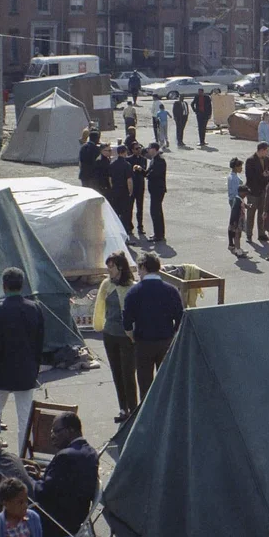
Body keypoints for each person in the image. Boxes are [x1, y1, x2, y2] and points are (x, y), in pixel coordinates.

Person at [0, 268, 44, 457]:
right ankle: (25, 458)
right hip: (26, 372)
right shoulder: (35, 308)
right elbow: (39, 343)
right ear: (22, 285)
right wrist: (35, 369)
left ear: (4, 286)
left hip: (0, 374)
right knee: (25, 417)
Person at [123, 252, 183, 401]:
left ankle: (148, 417)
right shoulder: (171, 290)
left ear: (143, 267)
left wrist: (132, 336)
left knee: (145, 384)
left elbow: (127, 322)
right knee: (166, 382)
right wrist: (172, 334)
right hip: (166, 342)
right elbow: (180, 317)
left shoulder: (134, 292)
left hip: (143, 343)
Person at [28, 413, 99, 537]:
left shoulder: (66, 456)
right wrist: (39, 478)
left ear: (71, 430)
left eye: (56, 431)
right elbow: (60, 485)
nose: (52, 436)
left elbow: (42, 492)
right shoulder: (89, 451)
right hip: (75, 517)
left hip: (57, 523)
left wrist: (27, 479)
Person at [94, 252, 137, 423]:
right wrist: (99, 325)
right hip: (109, 334)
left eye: (111, 267)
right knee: (116, 372)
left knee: (128, 374)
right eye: (108, 266)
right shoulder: (106, 284)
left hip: (127, 336)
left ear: (120, 267)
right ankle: (123, 409)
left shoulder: (132, 287)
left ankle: (133, 409)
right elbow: (99, 306)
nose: (108, 270)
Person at [245, 142, 269, 242]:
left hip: (263, 191)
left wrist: (268, 175)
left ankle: (261, 233)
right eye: (267, 150)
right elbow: (250, 177)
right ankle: (249, 234)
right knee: (251, 214)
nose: (268, 152)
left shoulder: (266, 160)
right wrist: (262, 176)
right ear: (261, 150)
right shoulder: (250, 160)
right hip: (253, 192)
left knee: (262, 214)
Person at [109, 144, 135, 236]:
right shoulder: (127, 165)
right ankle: (125, 230)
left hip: (115, 190)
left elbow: (110, 179)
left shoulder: (112, 164)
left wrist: (113, 188)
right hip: (124, 191)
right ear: (124, 153)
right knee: (125, 213)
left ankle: (116, 230)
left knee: (116, 211)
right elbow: (129, 180)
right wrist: (130, 191)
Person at [144, 142, 167, 242]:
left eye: (149, 148)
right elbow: (148, 172)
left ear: (154, 149)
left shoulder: (160, 160)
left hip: (158, 189)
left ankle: (158, 234)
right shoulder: (153, 159)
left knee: (155, 212)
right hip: (154, 189)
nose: (148, 150)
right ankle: (158, 233)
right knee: (156, 211)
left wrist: (147, 175)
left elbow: (154, 174)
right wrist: (141, 171)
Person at [127, 141, 148, 238]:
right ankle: (129, 227)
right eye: (136, 149)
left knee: (140, 207)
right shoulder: (128, 160)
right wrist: (133, 169)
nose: (139, 150)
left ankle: (140, 226)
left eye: (139, 148)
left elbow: (146, 173)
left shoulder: (143, 159)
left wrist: (141, 169)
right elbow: (126, 173)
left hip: (140, 186)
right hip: (132, 186)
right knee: (129, 207)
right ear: (132, 150)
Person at [228, 185, 250, 257]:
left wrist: (247, 206)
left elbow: (243, 204)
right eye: (245, 193)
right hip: (237, 221)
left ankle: (238, 248)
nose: (246, 195)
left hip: (240, 220)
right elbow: (234, 212)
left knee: (239, 235)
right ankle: (238, 251)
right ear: (241, 192)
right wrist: (234, 222)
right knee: (237, 235)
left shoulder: (240, 199)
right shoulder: (237, 200)